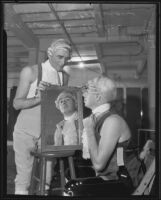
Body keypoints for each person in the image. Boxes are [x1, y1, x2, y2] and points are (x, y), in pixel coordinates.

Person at [12, 38, 72, 195]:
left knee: (46, 178)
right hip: (26, 130)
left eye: (67, 58)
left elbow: (60, 105)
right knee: (24, 178)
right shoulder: (31, 71)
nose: (63, 62)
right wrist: (38, 98)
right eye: (60, 57)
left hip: (48, 130)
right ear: (49, 53)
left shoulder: (64, 76)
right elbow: (16, 104)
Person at [67, 75, 133, 196]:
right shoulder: (97, 118)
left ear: (98, 96)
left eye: (87, 89)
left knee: (73, 188)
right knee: (69, 174)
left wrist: (90, 130)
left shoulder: (112, 121)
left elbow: (98, 165)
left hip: (120, 179)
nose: (83, 93)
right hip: (107, 177)